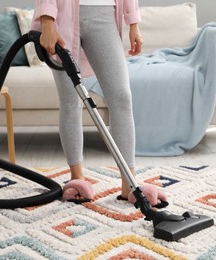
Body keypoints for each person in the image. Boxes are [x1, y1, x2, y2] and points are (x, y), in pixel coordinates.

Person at [32, 0, 167, 206]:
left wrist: (133, 23)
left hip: (105, 13)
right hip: (63, 14)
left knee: (121, 98)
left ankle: (129, 185)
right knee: (70, 101)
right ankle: (78, 180)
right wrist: (48, 21)